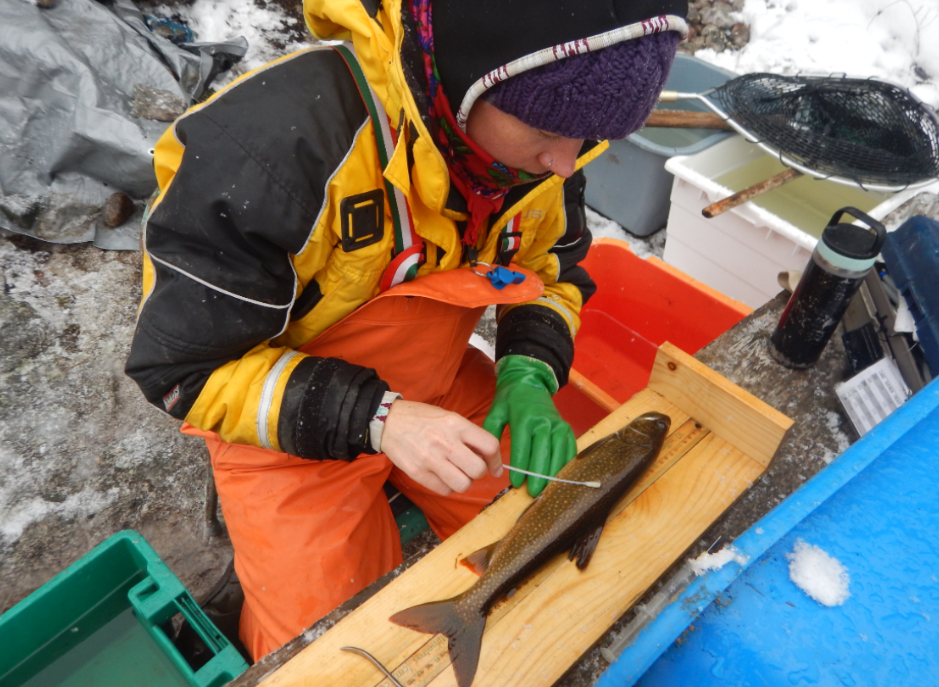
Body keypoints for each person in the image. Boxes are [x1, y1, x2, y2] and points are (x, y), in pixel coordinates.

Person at [125, 0, 688, 662]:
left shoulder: (543, 151)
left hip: (442, 386)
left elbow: (551, 269)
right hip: (286, 428)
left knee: (556, 539)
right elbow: (182, 372)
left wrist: (528, 368)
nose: (566, 165)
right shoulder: (270, 149)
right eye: (547, 127)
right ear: (469, 77)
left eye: (591, 138)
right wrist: (379, 417)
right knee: (331, 653)